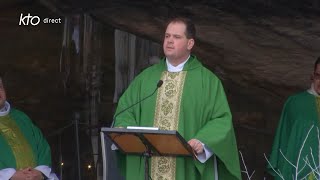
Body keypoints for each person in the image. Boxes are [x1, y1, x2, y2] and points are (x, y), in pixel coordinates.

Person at [113, 17, 241, 180]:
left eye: (176, 37)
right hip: (148, 166)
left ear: (190, 44)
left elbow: (221, 120)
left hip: (185, 168)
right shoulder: (145, 79)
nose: (169, 41)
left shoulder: (207, 82)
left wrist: (202, 141)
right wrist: (125, 128)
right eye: (167, 36)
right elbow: (125, 111)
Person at [267, 57, 320, 180]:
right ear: (312, 76)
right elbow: (285, 144)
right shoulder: (295, 103)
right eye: (319, 76)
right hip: (300, 173)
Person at [0, 76, 58, 180]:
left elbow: (41, 145)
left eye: (0, 87)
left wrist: (40, 172)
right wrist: (9, 175)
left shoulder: (21, 117)